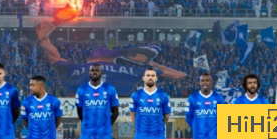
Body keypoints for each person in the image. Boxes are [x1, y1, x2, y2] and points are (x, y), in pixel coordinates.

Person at [36, 20, 186, 97]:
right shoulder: (75, 68)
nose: (101, 48)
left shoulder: (129, 70)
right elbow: (53, 57)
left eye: (108, 48)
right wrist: (43, 40)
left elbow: (178, 75)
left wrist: (150, 62)